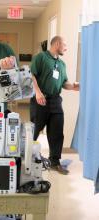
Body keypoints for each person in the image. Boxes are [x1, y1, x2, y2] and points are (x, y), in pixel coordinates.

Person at [30, 36, 79, 175]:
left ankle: (55, 162)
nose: (66, 48)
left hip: (56, 101)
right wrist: (38, 92)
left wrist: (75, 86)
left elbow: (64, 83)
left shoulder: (61, 64)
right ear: (56, 44)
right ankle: (24, 158)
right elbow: (31, 75)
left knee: (57, 133)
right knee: (33, 131)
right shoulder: (41, 58)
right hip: (40, 100)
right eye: (64, 45)